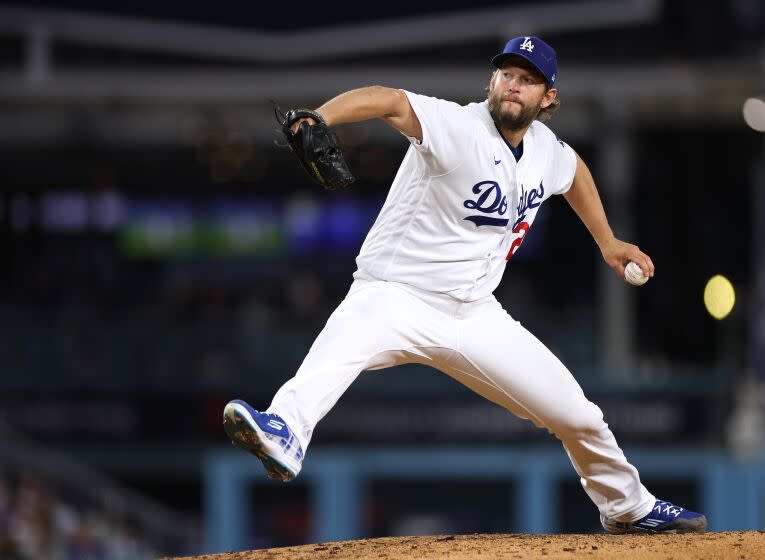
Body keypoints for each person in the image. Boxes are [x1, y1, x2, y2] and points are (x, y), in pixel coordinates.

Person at [223, 36, 707, 534]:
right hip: (396, 293)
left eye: (528, 79)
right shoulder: (458, 126)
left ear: (549, 98)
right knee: (340, 345)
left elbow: (575, 170)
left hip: (474, 313)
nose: (514, 85)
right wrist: (318, 117)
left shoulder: (543, 150)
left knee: (578, 413)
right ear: (491, 81)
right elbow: (388, 99)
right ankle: (284, 429)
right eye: (507, 75)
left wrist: (607, 241)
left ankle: (625, 506)